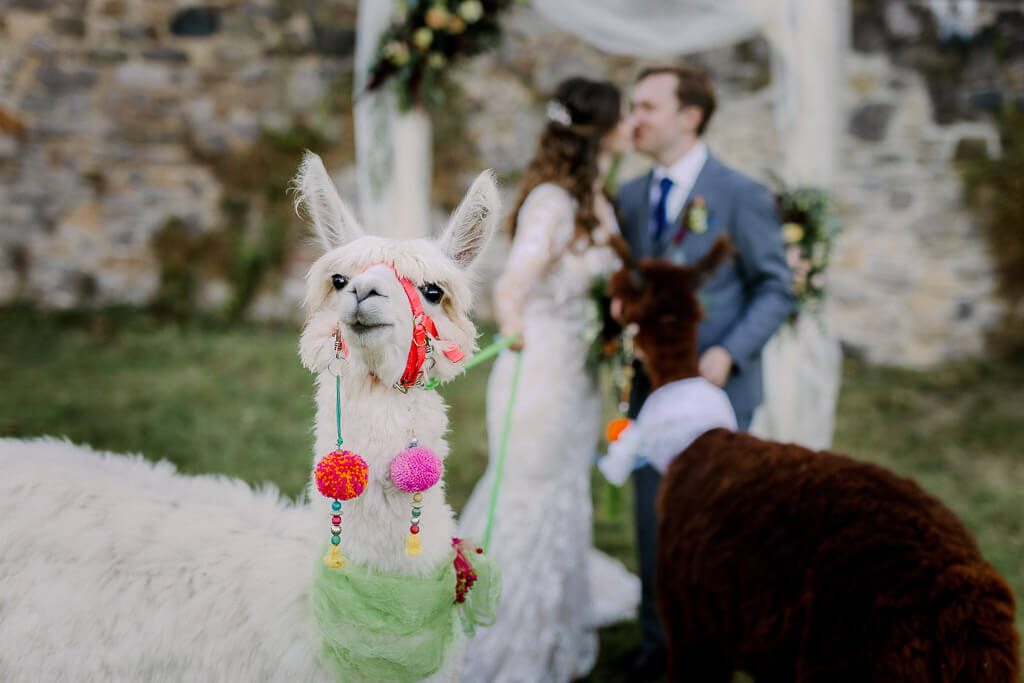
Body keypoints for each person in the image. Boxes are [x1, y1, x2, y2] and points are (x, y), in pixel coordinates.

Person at [616, 65, 794, 680]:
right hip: (651, 393)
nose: (634, 118)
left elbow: (776, 287)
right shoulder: (632, 197)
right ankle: (654, 645)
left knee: (716, 527)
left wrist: (730, 353)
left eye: (647, 106)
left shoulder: (740, 194)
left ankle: (717, 648)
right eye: (632, 107)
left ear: (689, 116)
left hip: (721, 396)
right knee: (651, 519)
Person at [459, 76, 639, 683]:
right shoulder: (554, 203)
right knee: (528, 492)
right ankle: (508, 638)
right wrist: (523, 334)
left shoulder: (593, 195)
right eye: (624, 113)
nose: (632, 120)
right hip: (542, 371)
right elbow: (512, 288)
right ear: (601, 129)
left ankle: (552, 615)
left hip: (577, 371)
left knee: (562, 490)